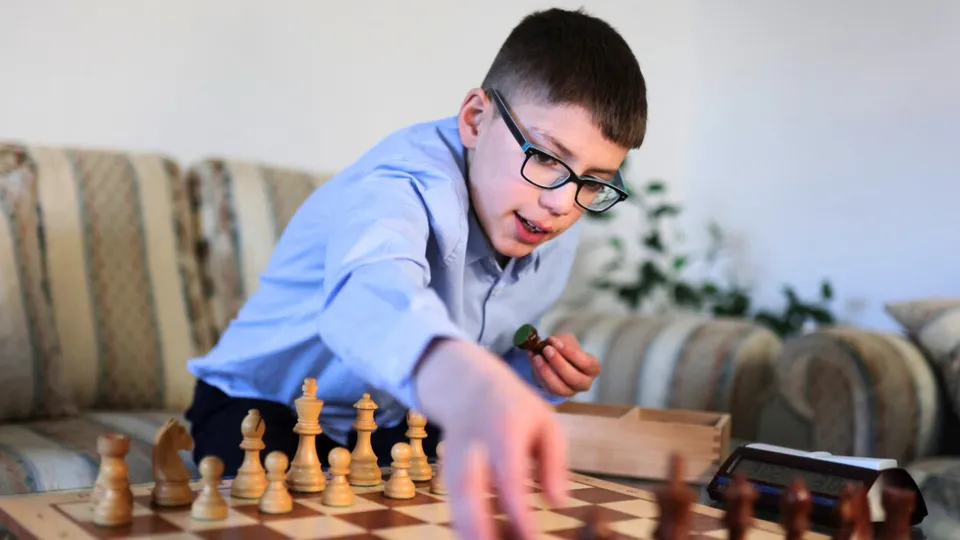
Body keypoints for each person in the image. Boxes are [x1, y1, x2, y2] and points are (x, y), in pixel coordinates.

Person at [184, 7, 647, 539]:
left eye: (593, 182)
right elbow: (368, 296)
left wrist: (529, 376)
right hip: (263, 408)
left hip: (388, 422)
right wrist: (467, 386)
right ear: (475, 119)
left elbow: (477, 350)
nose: (562, 202)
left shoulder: (547, 220)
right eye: (545, 156)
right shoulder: (400, 183)